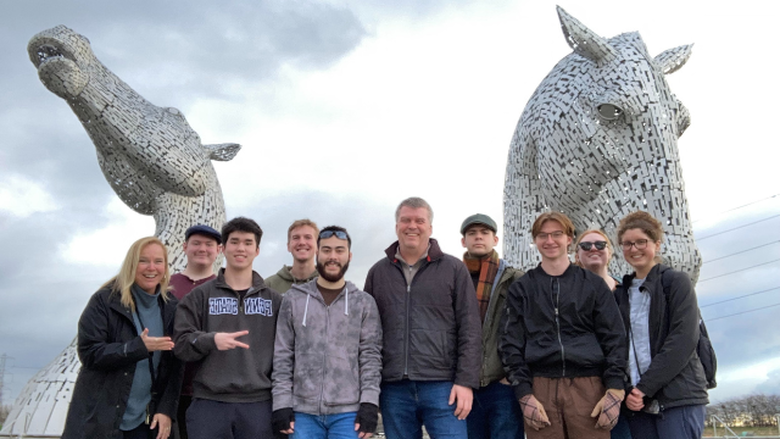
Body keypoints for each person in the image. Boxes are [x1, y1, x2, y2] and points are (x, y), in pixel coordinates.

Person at [499, 212, 627, 439]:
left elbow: (615, 337)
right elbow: (510, 344)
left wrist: (615, 388)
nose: (549, 241)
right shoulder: (522, 289)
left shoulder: (593, 285)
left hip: (589, 388)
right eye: (542, 235)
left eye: (557, 234)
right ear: (535, 241)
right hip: (540, 389)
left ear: (569, 239)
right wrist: (524, 393)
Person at [364, 197, 481, 439]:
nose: (412, 226)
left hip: (443, 386)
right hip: (393, 387)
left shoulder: (453, 269)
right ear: (397, 225)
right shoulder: (378, 273)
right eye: (405, 220)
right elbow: (367, 335)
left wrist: (466, 381)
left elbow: (470, 328)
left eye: (420, 220)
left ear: (430, 227)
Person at [173, 217, 283, 439]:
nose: (240, 248)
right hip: (209, 403)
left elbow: (287, 353)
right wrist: (210, 340)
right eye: (234, 242)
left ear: (257, 250)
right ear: (223, 248)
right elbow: (181, 344)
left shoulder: (275, 301)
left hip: (259, 405)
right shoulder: (199, 296)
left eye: (247, 242)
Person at [62, 237, 182, 439]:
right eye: (143, 261)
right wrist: (137, 347)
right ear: (131, 264)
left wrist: (166, 409)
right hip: (102, 418)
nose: (151, 268)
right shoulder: (105, 301)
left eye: (158, 261)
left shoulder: (171, 307)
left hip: (146, 421)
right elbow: (90, 353)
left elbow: (175, 366)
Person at [272, 226, 383, 439]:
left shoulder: (364, 303)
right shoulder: (293, 300)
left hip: (348, 414)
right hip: (302, 412)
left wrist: (369, 402)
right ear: (317, 253)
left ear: (349, 256)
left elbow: (370, 356)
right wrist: (281, 403)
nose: (333, 257)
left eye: (339, 250)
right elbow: (282, 355)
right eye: (326, 250)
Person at [614, 211, 709, 439]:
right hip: (637, 403)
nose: (634, 249)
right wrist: (629, 391)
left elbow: (683, 339)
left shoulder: (676, 282)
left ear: (656, 244)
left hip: (677, 398)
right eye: (627, 244)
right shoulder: (620, 294)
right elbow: (616, 348)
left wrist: (644, 387)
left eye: (641, 242)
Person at [458, 214, 525, 439]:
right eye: (472, 233)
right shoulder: (452, 278)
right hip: (463, 384)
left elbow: (528, 328)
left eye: (484, 233)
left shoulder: (515, 279)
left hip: (501, 384)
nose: (478, 237)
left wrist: (512, 374)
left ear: (495, 240)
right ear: (463, 241)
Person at [574, 229, 632, 439]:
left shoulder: (629, 291)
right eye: (585, 246)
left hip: (631, 387)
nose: (593, 249)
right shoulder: (569, 296)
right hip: (589, 386)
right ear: (576, 255)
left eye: (600, 245)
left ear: (610, 252)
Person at [169, 224, 222, 439]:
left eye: (209, 244)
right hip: (171, 388)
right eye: (196, 243)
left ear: (219, 250)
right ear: (185, 247)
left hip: (211, 389)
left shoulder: (224, 287)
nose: (203, 249)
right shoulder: (167, 285)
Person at [265, 219, 319, 293]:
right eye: (296, 238)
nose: (302, 242)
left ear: (318, 246)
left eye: (308, 237)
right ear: (288, 246)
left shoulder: (330, 283)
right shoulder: (269, 285)